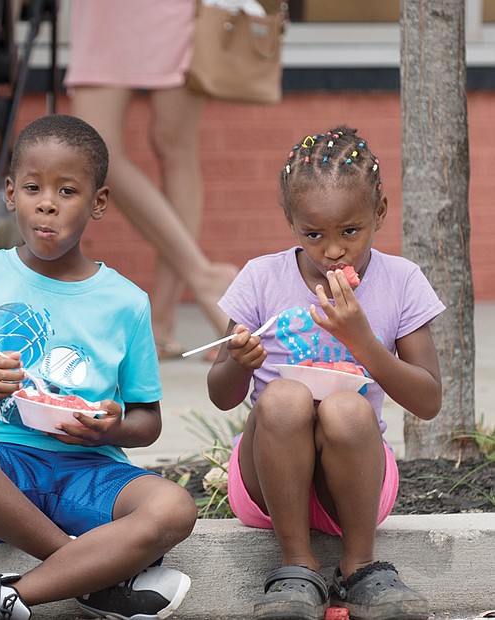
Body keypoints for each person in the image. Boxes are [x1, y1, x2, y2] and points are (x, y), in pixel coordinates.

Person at [0, 114, 198, 620]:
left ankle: (9, 597)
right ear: (9, 193)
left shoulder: (126, 302)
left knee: (175, 508)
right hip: (4, 469)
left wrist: (111, 427)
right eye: (32, 187)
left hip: (91, 470)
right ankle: (93, 576)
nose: (47, 202)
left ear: (98, 203)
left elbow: (147, 421)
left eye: (67, 190)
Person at [207, 126, 445, 620]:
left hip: (354, 491)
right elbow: (222, 395)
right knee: (284, 397)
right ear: (290, 222)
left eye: (349, 232)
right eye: (314, 235)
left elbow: (428, 400)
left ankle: (360, 566)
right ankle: (296, 567)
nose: (333, 251)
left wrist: (362, 341)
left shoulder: (401, 281)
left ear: (379, 212)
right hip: (268, 485)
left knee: (345, 407)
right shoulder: (260, 278)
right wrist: (238, 361)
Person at [65, 0, 237, 359]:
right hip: (103, 13)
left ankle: (161, 323)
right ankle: (205, 276)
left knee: (175, 145)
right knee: (95, 147)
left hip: (175, 11)